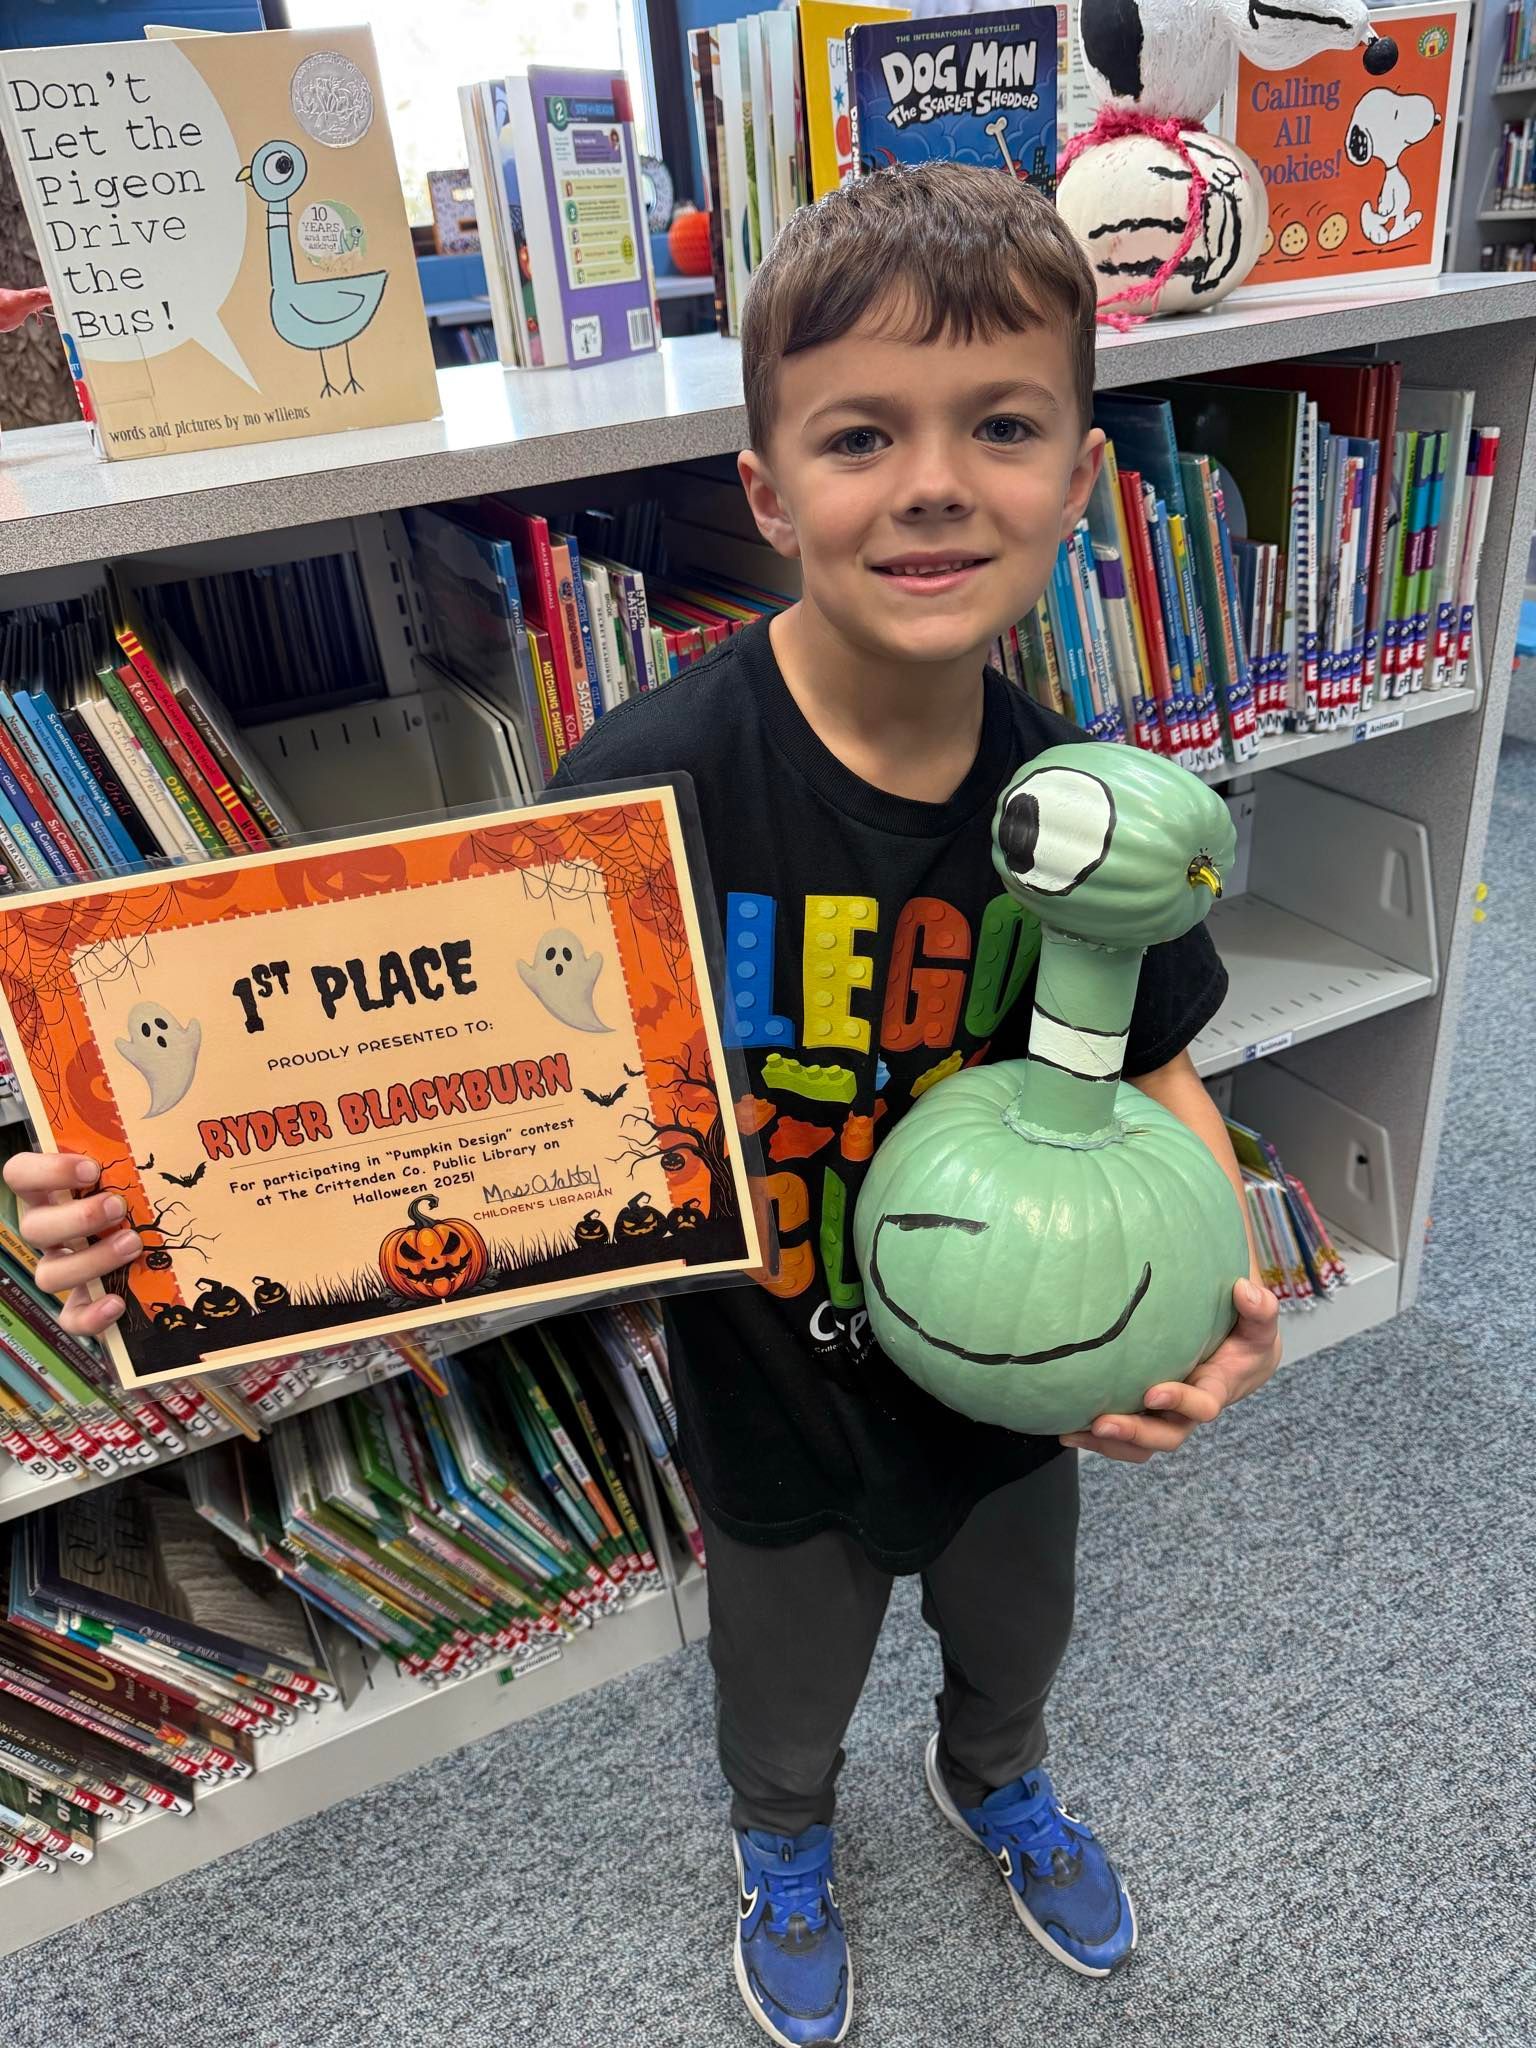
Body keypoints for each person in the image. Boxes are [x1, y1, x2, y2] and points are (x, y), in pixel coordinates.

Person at [5, 162, 1282, 2048]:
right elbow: (406, 1086)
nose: (934, 481)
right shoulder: (642, 791)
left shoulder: (1086, 803)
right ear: (766, 494)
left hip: (1020, 1395)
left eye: (1003, 425)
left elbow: (1160, 1058)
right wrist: (154, 1212)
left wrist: (1216, 1282)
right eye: (862, 434)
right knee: (780, 1695)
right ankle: (783, 1847)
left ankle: (995, 1778)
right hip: (770, 1400)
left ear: (1082, 481)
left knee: (1015, 1640)